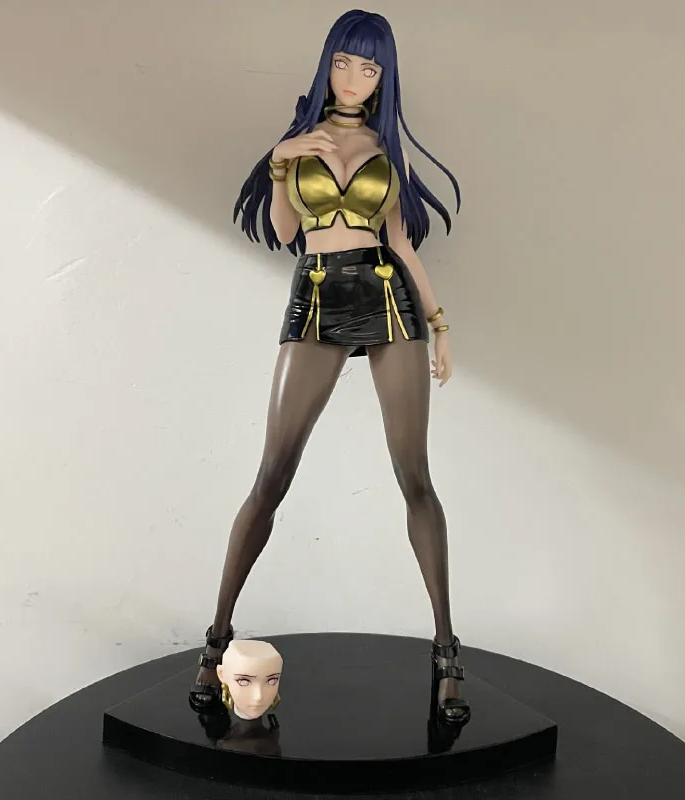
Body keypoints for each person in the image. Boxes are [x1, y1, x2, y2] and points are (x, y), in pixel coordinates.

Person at [190, 9, 470, 727]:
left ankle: (447, 652)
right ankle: (215, 639)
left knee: (415, 475)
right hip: (315, 296)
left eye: (369, 68)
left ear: (383, 77)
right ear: (327, 64)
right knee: (271, 475)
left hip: (388, 297)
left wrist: (439, 326)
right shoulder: (300, 142)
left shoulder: (384, 148)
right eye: (344, 63)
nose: (353, 78)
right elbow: (286, 231)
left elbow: (400, 243)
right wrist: (282, 162)